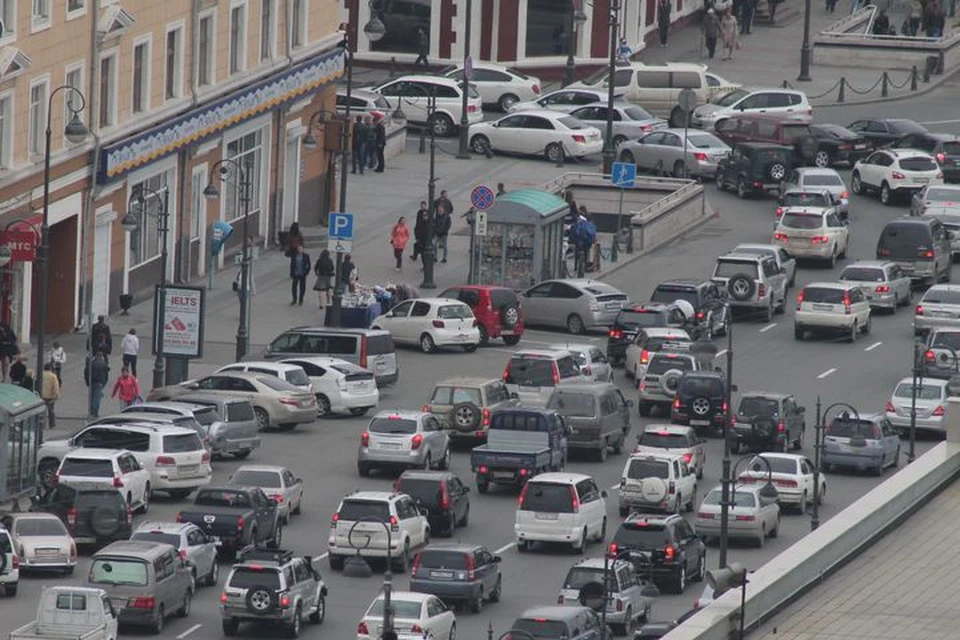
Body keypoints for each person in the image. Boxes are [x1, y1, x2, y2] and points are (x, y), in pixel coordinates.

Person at [84, 351, 110, 418]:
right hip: (100, 383)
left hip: (92, 382)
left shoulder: (92, 363)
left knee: (92, 397)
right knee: (97, 398)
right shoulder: (104, 364)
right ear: (101, 356)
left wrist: (87, 382)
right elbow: (106, 376)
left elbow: (86, 372)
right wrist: (104, 384)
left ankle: (91, 411)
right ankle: (95, 413)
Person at [40, 363, 60, 429]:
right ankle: (51, 424)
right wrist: (56, 395)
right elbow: (55, 386)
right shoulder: (53, 376)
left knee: (42, 411)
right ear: (50, 368)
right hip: (50, 396)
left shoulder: (40, 375)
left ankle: (42, 424)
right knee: (51, 411)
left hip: (41, 395)